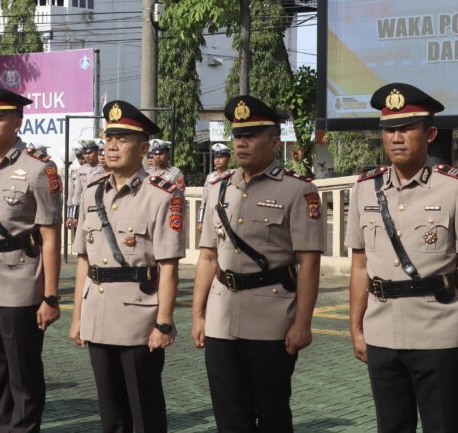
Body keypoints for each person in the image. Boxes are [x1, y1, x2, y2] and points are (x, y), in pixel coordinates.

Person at [192, 95, 323, 432]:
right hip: (221, 318)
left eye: (251, 136)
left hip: (272, 320)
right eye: (238, 136)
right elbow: (207, 257)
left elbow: (308, 263)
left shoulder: (297, 191)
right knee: (229, 415)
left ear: (275, 141)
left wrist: (303, 323)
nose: (242, 143)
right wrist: (198, 315)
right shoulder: (219, 190)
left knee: (272, 413)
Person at [346, 83, 458, 432]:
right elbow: (360, 264)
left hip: (440, 335)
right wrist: (356, 327)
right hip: (382, 334)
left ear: (430, 134)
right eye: (390, 130)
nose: (397, 137)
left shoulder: (452, 188)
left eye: (407, 128)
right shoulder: (365, 187)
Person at [69, 100, 185, 433]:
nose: (113, 146)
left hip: (139, 318)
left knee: (143, 413)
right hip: (98, 313)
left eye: (123, 139)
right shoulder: (93, 193)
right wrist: (78, 317)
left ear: (144, 148)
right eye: (109, 139)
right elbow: (83, 262)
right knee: (111, 415)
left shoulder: (162, 195)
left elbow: (168, 267)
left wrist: (163, 324)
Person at [0, 84, 63, 432]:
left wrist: (50, 296)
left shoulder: (39, 169)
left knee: (23, 373)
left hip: (20, 281)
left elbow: (50, 236)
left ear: (17, 123)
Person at [197, 143, 233, 232]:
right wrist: (200, 221)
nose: (217, 160)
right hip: (210, 216)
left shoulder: (233, 176)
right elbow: (204, 201)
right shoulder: (210, 177)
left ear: (228, 159)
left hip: (227, 217)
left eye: (221, 157)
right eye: (216, 157)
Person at [66, 141, 98, 229]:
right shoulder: (78, 172)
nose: (81, 160)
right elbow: (74, 195)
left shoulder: (102, 169)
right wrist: (72, 215)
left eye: (89, 153)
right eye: (78, 158)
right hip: (81, 210)